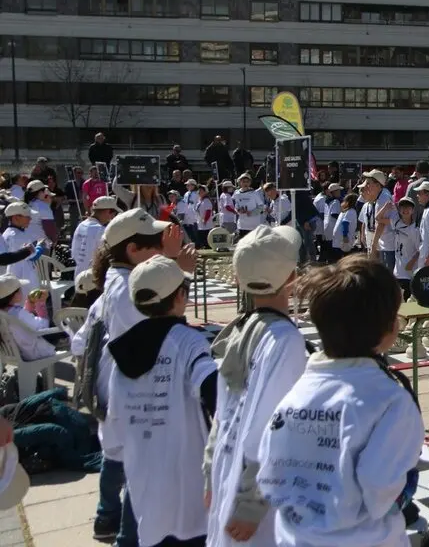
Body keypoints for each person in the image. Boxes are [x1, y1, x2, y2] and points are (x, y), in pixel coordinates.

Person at [256, 257, 424, 547]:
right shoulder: (391, 400)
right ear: (390, 329)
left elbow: (270, 472)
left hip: (293, 538)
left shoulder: (296, 389)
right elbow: (380, 489)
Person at [74, 210, 195, 546]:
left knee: (117, 456)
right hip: (134, 390)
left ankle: (106, 517)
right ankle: (126, 537)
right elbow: (162, 321)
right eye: (155, 244)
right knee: (139, 469)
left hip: (117, 387)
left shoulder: (117, 280)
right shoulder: (127, 288)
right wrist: (176, 269)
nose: (162, 247)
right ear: (133, 250)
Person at [205, 226, 307, 547]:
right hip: (257, 494)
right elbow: (274, 429)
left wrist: (210, 472)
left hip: (230, 472)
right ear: (292, 278)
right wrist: (252, 504)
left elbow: (221, 415)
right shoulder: (285, 341)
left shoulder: (239, 329)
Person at [105, 254, 218, 547]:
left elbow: (114, 424)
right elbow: (213, 389)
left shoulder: (121, 352)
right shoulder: (188, 341)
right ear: (180, 296)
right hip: (189, 482)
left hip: (144, 480)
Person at [0, 274, 55, 362]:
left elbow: (21, 321)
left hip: (15, 353)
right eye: (20, 290)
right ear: (14, 295)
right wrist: (41, 304)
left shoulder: (6, 312)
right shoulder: (19, 313)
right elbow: (43, 326)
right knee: (54, 321)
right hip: (35, 352)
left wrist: (29, 305)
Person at [71, 196, 119, 277]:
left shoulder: (80, 225)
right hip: (93, 276)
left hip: (78, 274)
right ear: (108, 211)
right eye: (114, 213)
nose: (113, 217)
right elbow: (108, 257)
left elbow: (74, 254)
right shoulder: (101, 230)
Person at [392, 197, 420, 299]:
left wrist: (411, 263)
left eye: (408, 207)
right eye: (403, 207)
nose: (405, 210)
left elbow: (419, 250)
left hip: (409, 272)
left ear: (413, 210)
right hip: (397, 270)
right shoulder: (396, 223)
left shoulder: (415, 229)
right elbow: (378, 218)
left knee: (407, 299)